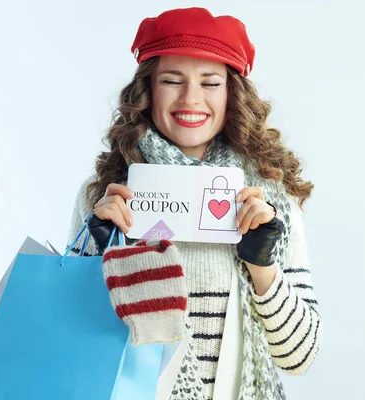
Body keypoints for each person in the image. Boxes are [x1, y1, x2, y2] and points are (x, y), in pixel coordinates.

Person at [65, 7, 322, 400]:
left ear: (231, 92)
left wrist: (263, 266)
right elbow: (70, 331)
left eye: (210, 82)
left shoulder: (271, 197)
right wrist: (95, 251)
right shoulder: (107, 192)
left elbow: (299, 356)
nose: (191, 98)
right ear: (147, 91)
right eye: (172, 80)